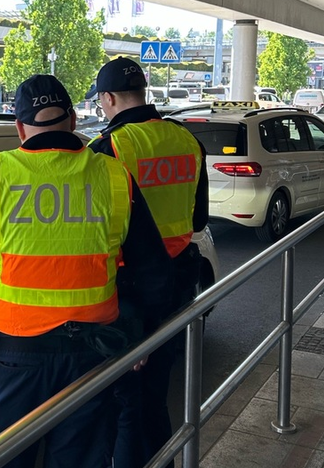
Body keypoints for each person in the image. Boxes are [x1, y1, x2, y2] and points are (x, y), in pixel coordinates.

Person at [0, 74, 174, 468]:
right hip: (91, 356)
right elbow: (153, 270)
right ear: (74, 120)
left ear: (19, 128)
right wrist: (142, 334)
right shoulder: (114, 177)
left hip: (10, 357)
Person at [88, 57, 209, 468]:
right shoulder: (186, 140)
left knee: (125, 402)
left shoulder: (110, 149)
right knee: (155, 391)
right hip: (176, 284)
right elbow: (198, 220)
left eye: (101, 102)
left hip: (129, 292)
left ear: (108, 99)